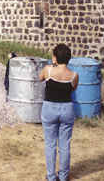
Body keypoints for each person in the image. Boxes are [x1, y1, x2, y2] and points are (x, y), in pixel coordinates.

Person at [38, 44, 78, 181]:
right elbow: (73, 89)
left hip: (49, 108)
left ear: (54, 58)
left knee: (50, 144)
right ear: (69, 58)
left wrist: (52, 65)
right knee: (65, 145)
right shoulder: (74, 75)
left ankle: (51, 177)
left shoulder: (48, 70)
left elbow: (40, 78)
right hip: (67, 109)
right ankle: (63, 176)